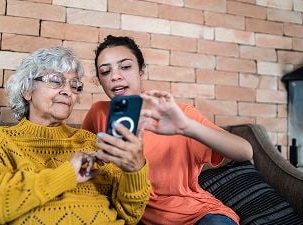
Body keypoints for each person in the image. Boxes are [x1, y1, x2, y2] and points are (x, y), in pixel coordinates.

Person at [0, 47, 151, 225]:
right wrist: (66, 174)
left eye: (74, 85)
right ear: (27, 90)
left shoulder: (89, 142)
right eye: (56, 81)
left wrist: (135, 170)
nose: (68, 91)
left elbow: (130, 215)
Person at [81, 35, 253, 225]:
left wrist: (187, 127)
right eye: (105, 71)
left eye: (125, 66)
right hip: (133, 213)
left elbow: (245, 151)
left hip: (196, 216)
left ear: (141, 71)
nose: (114, 76)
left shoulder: (178, 114)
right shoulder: (98, 114)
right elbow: (83, 164)